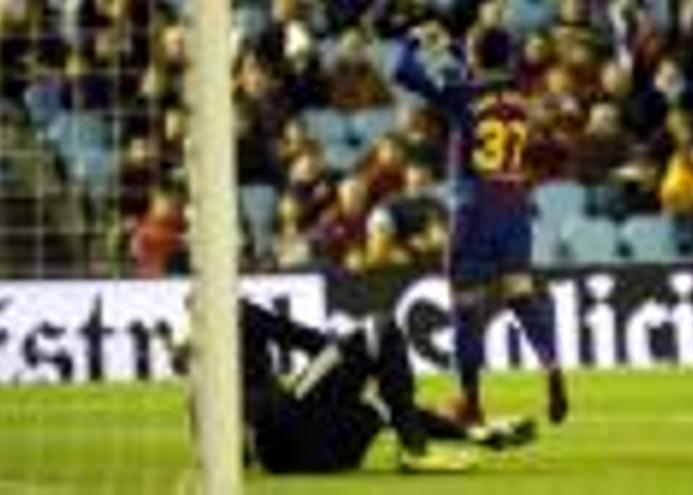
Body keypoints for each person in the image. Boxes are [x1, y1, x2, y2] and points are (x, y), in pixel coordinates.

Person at [393, 23, 569, 425]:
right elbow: (483, 63)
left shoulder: (463, 95)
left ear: (475, 56)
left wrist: (415, 40)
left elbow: (402, 70)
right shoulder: (522, 93)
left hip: (474, 209)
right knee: (521, 295)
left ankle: (470, 402)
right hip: (514, 205)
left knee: (466, 308)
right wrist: (456, 45)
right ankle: (551, 363)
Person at [169, 300, 536, 474]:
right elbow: (307, 341)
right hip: (294, 432)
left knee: (381, 405)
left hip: (309, 456)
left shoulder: (199, 385)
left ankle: (476, 434)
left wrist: (472, 433)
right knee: (380, 329)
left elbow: (235, 457)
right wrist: (357, 361)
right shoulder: (236, 312)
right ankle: (418, 450)